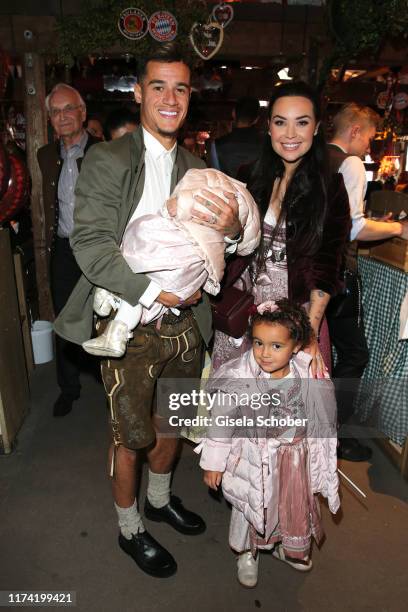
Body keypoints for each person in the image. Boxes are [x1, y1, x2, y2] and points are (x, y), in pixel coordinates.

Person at [54, 43, 242, 578]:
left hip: (188, 324)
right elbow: (89, 246)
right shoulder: (108, 158)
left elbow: (217, 246)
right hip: (130, 325)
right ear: (139, 92)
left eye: (180, 88)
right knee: (129, 438)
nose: (170, 97)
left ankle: (159, 500)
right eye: (158, 86)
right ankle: (129, 527)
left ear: (190, 97)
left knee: (172, 425)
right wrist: (153, 293)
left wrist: (227, 236)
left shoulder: (197, 165)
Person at [211, 81, 351, 379]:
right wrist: (232, 233)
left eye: (301, 123)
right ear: (269, 128)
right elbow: (228, 248)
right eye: (280, 122)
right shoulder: (249, 176)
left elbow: (328, 265)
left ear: (315, 128)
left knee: (289, 416)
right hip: (243, 313)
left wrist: (307, 335)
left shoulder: (330, 187)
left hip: (297, 319)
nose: (290, 134)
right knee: (236, 407)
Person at [198, 299, 339, 588]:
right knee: (252, 507)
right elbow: (221, 423)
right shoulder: (240, 377)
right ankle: (247, 554)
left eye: (276, 346)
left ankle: (278, 545)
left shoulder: (307, 375)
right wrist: (213, 463)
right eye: (259, 343)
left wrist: (321, 455)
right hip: (254, 462)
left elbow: (322, 417)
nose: (264, 353)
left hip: (294, 460)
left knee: (286, 506)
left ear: (296, 346)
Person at [82, 167, 260, 358]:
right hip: (136, 285)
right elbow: (92, 242)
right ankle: (116, 319)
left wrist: (233, 234)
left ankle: (116, 313)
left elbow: (212, 233)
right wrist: (156, 294)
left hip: (185, 313)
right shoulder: (110, 159)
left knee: (175, 387)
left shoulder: (199, 169)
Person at [327, 103, 408, 461]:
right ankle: (336, 433)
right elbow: (355, 226)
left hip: (314, 272)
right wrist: (399, 228)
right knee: (354, 353)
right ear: (355, 131)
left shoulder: (318, 156)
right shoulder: (351, 163)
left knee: (327, 351)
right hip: (336, 273)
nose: (369, 148)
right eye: (370, 139)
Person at [37, 83, 100, 417]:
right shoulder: (45, 156)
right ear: (49, 118)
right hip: (63, 250)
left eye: (68, 109)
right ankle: (69, 388)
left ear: (82, 112)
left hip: (99, 250)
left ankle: (111, 386)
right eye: (55, 111)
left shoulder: (105, 152)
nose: (62, 117)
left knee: (105, 318)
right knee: (64, 319)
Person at [209, 96, 263, 178]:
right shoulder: (268, 144)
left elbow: (215, 178)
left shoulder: (217, 145)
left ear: (233, 113)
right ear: (256, 119)